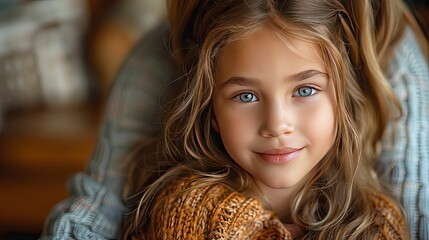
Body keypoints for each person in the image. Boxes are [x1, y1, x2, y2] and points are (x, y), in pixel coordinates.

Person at [41, 0, 429, 239]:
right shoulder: (186, 215)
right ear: (210, 111)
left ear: (343, 101)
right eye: (246, 96)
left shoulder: (377, 223)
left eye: (305, 91)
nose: (277, 124)